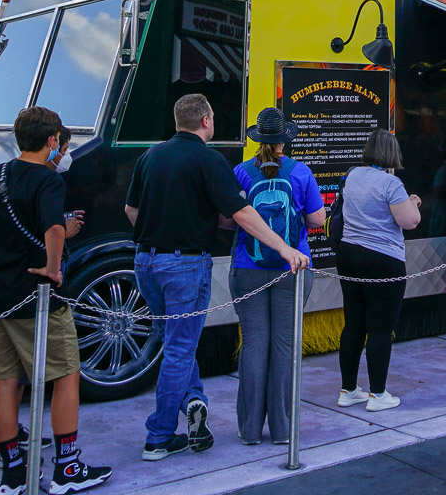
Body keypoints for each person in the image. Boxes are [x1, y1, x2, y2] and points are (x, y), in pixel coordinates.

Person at [125, 94, 308, 461]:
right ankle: (159, 436)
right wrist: (285, 249)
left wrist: (158, 238)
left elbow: (131, 208)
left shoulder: (151, 155)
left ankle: (193, 400)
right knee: (179, 348)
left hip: (145, 262)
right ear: (206, 121)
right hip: (185, 266)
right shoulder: (209, 160)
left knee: (176, 342)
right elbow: (242, 214)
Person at [0, 108, 110, 495]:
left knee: (5, 379)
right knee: (66, 374)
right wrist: (53, 267)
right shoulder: (48, 181)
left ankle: (13, 470)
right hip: (35, 297)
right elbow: (52, 226)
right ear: (53, 140)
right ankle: (67, 468)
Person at [231, 108, 325, 444]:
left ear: (258, 139)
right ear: (286, 138)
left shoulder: (240, 172)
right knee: (284, 346)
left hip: (247, 268)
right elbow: (316, 219)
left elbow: (229, 220)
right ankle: (283, 429)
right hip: (293, 268)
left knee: (254, 344)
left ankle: (251, 430)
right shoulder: (300, 172)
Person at [334, 130, 421, 411]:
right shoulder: (391, 183)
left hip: (348, 255)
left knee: (354, 324)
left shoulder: (352, 176)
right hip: (383, 260)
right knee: (380, 329)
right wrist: (414, 203)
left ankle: (348, 390)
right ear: (392, 153)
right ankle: (378, 394)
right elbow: (409, 221)